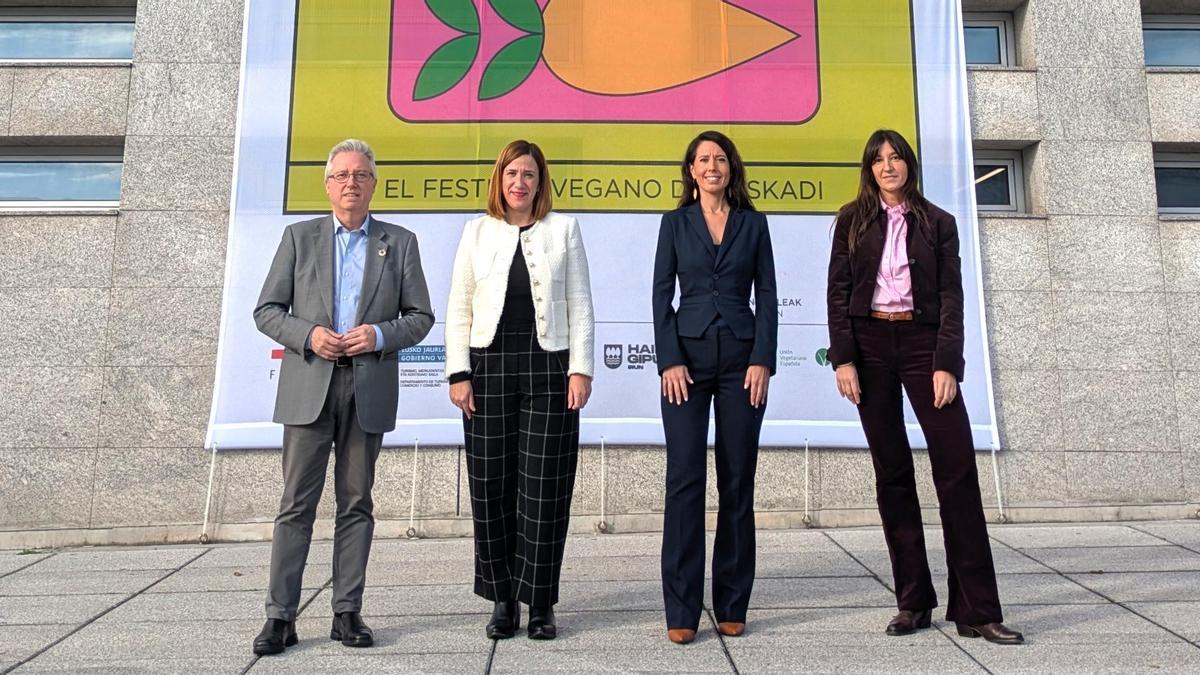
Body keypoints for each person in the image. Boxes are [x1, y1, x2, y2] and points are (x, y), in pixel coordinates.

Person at [826, 129, 1023, 645]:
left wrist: (946, 364)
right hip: (869, 347)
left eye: (896, 158)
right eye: (878, 160)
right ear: (869, 169)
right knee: (892, 473)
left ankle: (978, 609)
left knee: (956, 470)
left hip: (921, 342)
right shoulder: (851, 220)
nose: (888, 166)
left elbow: (952, 297)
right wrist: (844, 359)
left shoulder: (938, 223)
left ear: (909, 165)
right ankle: (912, 601)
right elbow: (838, 292)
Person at [251, 138, 434, 655]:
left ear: (374, 184)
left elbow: (420, 318)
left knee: (356, 503)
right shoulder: (298, 238)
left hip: (367, 385)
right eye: (341, 175)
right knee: (295, 505)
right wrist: (308, 335)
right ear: (327, 184)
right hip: (311, 385)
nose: (351, 182)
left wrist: (378, 335)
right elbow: (267, 310)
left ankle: (346, 613)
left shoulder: (400, 242)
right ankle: (280, 617)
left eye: (361, 174)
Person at [444, 139, 595, 640]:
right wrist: (458, 373)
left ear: (540, 181)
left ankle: (540, 602)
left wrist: (581, 369)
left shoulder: (564, 230)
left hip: (548, 369)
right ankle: (502, 600)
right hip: (487, 369)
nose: (519, 183)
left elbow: (580, 304)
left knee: (545, 488)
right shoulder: (476, 232)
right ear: (499, 179)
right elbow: (459, 307)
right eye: (512, 174)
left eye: (528, 174)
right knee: (491, 486)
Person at [652, 130, 777, 644]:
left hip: (742, 364)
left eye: (720, 159)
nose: (711, 166)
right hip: (687, 362)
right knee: (684, 481)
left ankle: (732, 602)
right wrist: (670, 361)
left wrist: (763, 359)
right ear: (690, 171)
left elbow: (767, 294)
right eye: (703, 159)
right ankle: (681, 609)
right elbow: (661, 295)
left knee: (736, 482)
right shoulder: (674, 223)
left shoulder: (754, 223)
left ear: (731, 169)